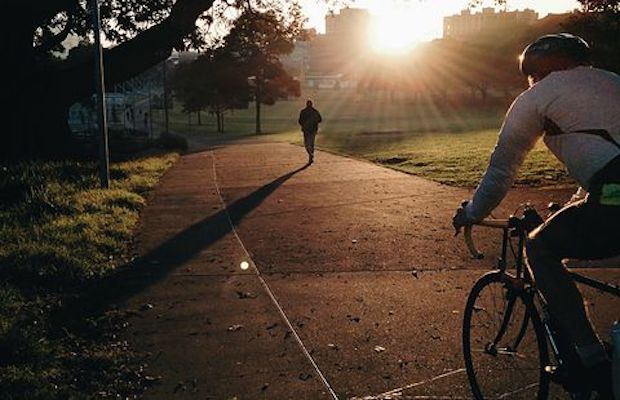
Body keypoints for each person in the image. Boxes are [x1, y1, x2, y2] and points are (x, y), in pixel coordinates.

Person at [452, 33, 620, 396]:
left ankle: (591, 359)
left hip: (614, 195)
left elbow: (502, 170)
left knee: (539, 249)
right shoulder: (611, 81)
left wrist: (472, 212)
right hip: (610, 191)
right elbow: (603, 161)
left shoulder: (537, 97)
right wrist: (577, 201)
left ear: (534, 71)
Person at [298, 99, 322, 164]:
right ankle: (311, 155)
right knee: (312, 143)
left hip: (306, 130)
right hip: (313, 130)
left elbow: (300, 121)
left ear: (306, 104)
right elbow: (320, 120)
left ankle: (310, 154)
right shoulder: (315, 111)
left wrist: (304, 125)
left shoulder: (303, 111)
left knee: (306, 144)